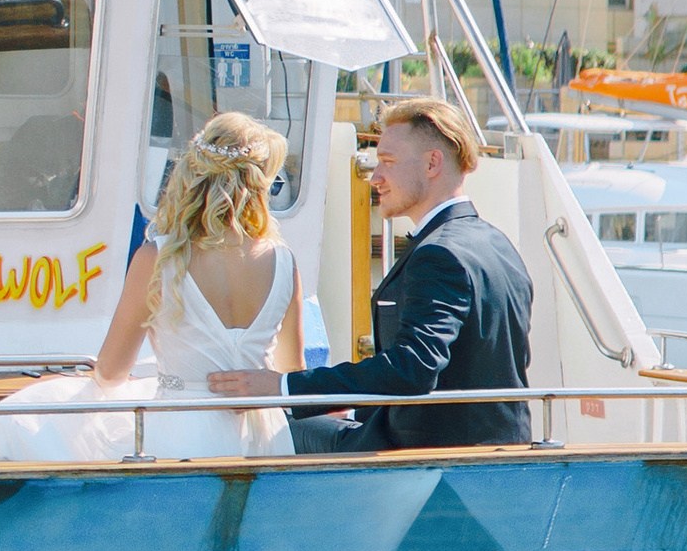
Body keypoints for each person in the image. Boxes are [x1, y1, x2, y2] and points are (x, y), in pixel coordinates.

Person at [0, 113, 304, 467]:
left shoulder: (159, 259)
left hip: (183, 431)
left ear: (191, 177)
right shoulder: (285, 261)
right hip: (265, 436)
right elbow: (292, 369)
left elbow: (111, 371)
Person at [217, 91, 532, 452]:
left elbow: (411, 368)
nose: (375, 176)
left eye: (387, 160)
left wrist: (282, 387)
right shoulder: (498, 244)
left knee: (276, 431)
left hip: (428, 453)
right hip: (504, 448)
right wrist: (347, 402)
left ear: (432, 164)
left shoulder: (438, 254)